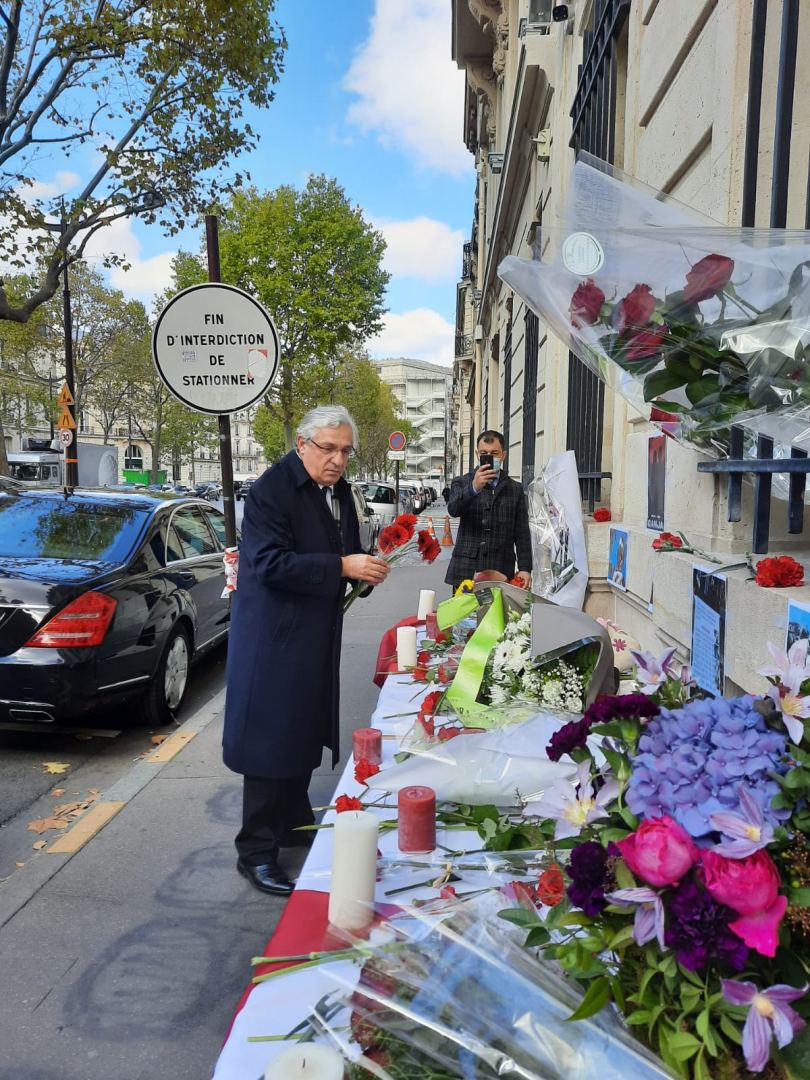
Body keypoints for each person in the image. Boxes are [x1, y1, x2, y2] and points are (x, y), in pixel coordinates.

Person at [222, 405, 390, 896]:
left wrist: (366, 572)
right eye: (328, 448)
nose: (337, 459)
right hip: (273, 638)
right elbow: (270, 564)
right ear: (301, 444)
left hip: (312, 634)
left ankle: (293, 824)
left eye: (345, 451)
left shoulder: (339, 490)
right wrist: (342, 567)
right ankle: (255, 851)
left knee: (300, 730)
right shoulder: (271, 490)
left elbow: (347, 553)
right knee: (268, 739)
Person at [445, 430, 532, 593]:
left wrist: (525, 568)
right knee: (464, 611)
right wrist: (473, 488)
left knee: (499, 610)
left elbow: (522, 533)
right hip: (466, 569)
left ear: (503, 455)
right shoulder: (462, 482)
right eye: (484, 453)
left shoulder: (515, 489)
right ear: (477, 454)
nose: (489, 457)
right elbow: (453, 509)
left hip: (501, 569)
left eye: (494, 453)